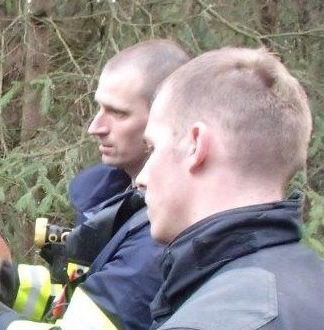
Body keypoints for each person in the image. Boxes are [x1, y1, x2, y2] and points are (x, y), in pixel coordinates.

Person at [0, 39, 190, 330]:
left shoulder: (161, 232)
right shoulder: (122, 201)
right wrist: (3, 282)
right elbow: (78, 302)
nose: (95, 127)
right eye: (99, 108)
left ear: (164, 119)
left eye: (119, 113)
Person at [135, 47, 324, 329]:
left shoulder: (209, 321)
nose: (142, 177)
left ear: (195, 145)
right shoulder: (311, 281)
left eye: (152, 147)